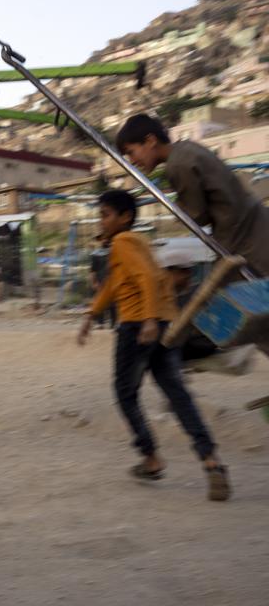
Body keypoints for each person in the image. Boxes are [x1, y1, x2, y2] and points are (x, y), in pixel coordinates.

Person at [77, 190, 230, 501]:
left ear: (125, 218)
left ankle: (150, 458)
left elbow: (146, 278)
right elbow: (115, 284)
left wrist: (145, 320)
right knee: (177, 394)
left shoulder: (122, 242)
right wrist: (92, 315)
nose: (101, 220)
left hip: (138, 326)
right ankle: (211, 461)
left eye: (106, 214)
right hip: (164, 324)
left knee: (124, 393)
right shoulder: (139, 242)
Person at [115, 114, 269, 277]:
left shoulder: (177, 165)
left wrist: (179, 207)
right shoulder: (187, 148)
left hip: (245, 243)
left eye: (131, 152)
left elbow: (197, 216)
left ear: (151, 141)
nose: (132, 160)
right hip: (255, 227)